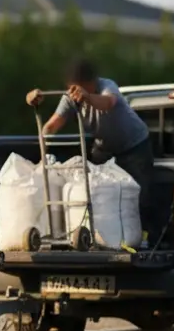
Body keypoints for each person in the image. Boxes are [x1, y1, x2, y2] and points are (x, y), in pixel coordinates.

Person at [27, 59, 159, 245]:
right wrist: (41, 148)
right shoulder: (70, 98)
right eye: (73, 87)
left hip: (134, 146)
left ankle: (144, 239)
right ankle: (100, 237)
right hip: (104, 148)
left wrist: (87, 96)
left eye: (80, 87)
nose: (75, 92)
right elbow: (52, 125)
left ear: (92, 82)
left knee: (140, 194)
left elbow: (108, 103)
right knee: (97, 191)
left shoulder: (107, 86)